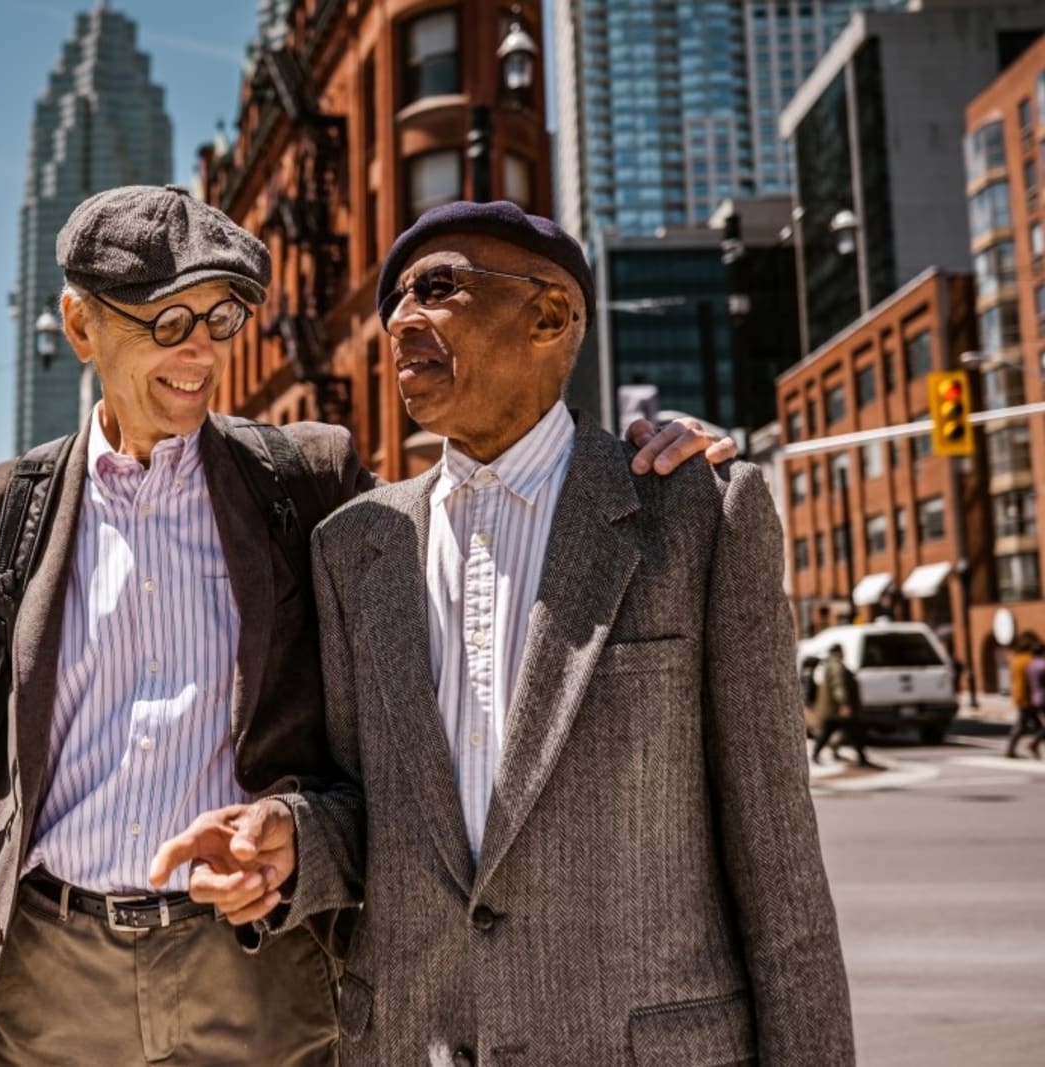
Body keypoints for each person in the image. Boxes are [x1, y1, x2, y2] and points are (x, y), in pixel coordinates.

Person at [0, 186, 732, 1067]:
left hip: (256, 978)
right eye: (168, 322)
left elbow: (483, 547)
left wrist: (638, 466)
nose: (201, 352)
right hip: (48, 979)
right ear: (81, 326)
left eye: (221, 317)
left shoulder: (307, 479)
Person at [154, 200, 853, 1065]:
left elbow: (779, 864)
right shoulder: (354, 546)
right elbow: (364, 811)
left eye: (438, 288)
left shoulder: (699, 514)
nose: (402, 319)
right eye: (395, 302)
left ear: (550, 315)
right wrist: (292, 842)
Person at [812, 644, 879, 768]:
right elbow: (839, 686)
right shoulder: (836, 666)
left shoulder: (827, 665)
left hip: (831, 709)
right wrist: (844, 704)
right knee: (853, 732)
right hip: (837, 710)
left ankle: (819, 754)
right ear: (839, 652)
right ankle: (861, 758)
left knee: (832, 732)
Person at [1005, 633, 1042, 759]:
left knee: (1033, 725)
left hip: (1019, 695)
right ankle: (1014, 749)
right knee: (1022, 725)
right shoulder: (1029, 660)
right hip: (1028, 696)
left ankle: (1032, 746)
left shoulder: (1016, 659)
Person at [1018, 638, 1045, 760]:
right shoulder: (1042, 665)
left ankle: (1035, 743)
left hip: (1035, 697)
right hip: (1043, 697)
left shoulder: (1030, 665)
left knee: (1034, 724)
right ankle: (1034, 743)